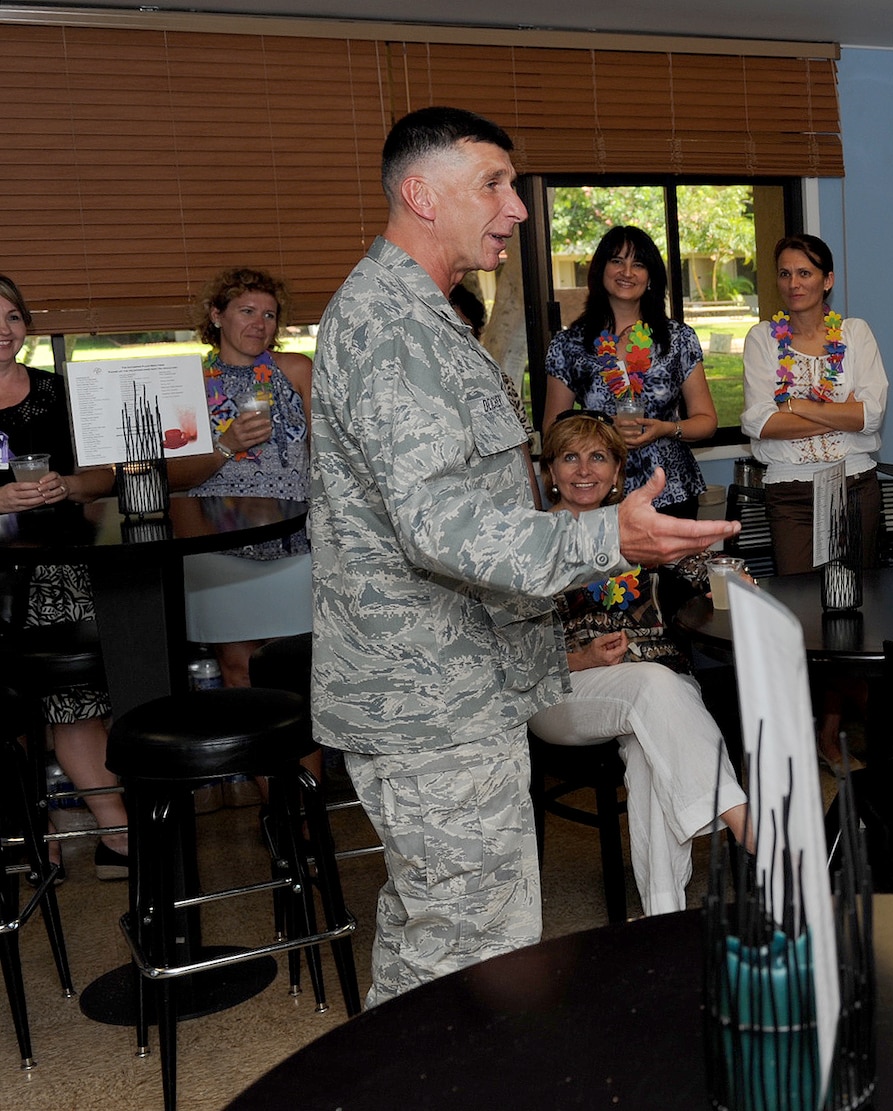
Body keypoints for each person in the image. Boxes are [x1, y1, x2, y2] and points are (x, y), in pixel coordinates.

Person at [310, 106, 737, 1005]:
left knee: (453, 945)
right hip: (429, 701)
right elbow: (437, 524)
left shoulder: (425, 317)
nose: (517, 209)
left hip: (462, 684)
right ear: (422, 194)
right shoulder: (391, 326)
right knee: (466, 960)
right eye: (494, 185)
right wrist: (603, 537)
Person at [526, 411, 748, 914]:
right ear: (549, 472)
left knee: (652, 746)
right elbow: (504, 647)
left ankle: (663, 916)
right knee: (654, 686)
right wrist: (578, 658)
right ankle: (745, 822)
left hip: (660, 692)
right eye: (569, 457)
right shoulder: (530, 542)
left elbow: (712, 567)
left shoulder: (640, 532)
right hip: (563, 691)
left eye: (598, 457)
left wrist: (737, 584)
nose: (584, 469)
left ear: (618, 473)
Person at [0, 275, 128, 880]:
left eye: (12, 316)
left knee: (75, 703)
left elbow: (107, 474)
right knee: (9, 712)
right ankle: (33, 831)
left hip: (59, 571)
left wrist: (70, 486)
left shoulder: (61, 392)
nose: (3, 329)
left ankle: (117, 832)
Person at [181, 267, 314, 690]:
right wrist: (227, 443)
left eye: (270, 315)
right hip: (218, 543)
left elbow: (327, 452)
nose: (259, 324)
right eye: (247, 311)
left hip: (292, 539)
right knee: (237, 669)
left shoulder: (295, 370)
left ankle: (301, 759)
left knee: (292, 668)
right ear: (217, 315)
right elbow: (173, 474)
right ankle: (251, 759)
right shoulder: (190, 384)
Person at [541, 226, 715, 518]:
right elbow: (552, 428)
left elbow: (706, 421)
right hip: (598, 494)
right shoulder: (569, 344)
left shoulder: (678, 339)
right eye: (617, 261)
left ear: (650, 278)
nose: (627, 272)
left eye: (639, 264)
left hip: (671, 490)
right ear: (601, 270)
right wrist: (603, 429)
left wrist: (666, 429)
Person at [741, 233, 889, 575]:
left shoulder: (855, 333)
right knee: (799, 601)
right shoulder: (762, 339)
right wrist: (843, 414)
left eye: (805, 273)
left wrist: (796, 406)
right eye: (785, 273)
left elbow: (871, 414)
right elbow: (760, 424)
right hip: (789, 493)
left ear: (828, 280)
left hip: (854, 484)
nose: (794, 283)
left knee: (858, 594)